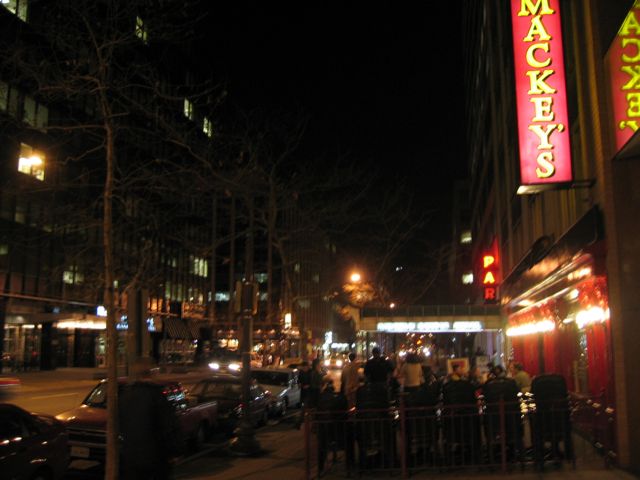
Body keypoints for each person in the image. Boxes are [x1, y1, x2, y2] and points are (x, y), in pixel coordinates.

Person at [118, 358, 183, 480]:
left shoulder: (126, 396)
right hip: (155, 456)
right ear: (151, 373)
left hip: (131, 456)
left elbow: (121, 425)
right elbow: (168, 425)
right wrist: (175, 451)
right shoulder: (156, 395)